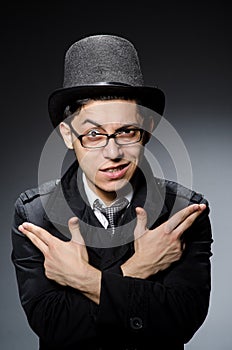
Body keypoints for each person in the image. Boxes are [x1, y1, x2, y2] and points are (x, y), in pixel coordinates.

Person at [11, 34, 213, 350]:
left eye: (126, 131)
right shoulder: (34, 213)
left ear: (147, 128)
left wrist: (84, 280)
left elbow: (181, 319)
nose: (113, 152)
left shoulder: (185, 212)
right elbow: (54, 325)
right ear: (67, 135)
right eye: (93, 134)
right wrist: (138, 269)